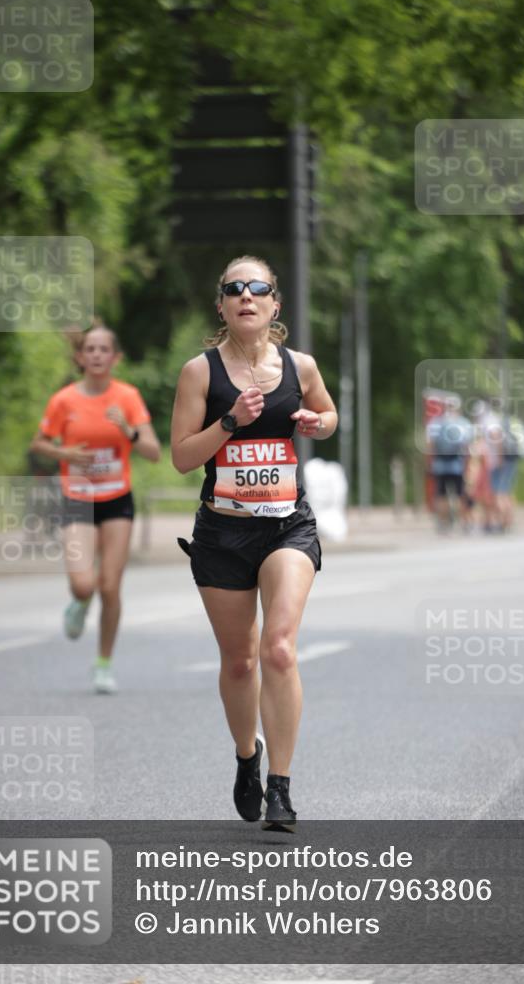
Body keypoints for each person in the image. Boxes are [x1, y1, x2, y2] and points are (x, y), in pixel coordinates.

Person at [171, 255, 337, 830]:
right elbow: (181, 457)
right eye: (233, 289)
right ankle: (248, 757)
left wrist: (320, 423)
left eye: (258, 288)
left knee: (280, 649)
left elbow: (328, 412)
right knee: (240, 663)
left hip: (287, 525)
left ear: (275, 304)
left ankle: (280, 787)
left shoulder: (301, 365)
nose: (246, 296)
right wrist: (230, 423)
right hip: (222, 531)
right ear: (221, 305)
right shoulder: (201, 373)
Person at [30, 323, 161, 691]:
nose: (98, 355)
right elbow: (38, 444)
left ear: (115, 357)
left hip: (117, 499)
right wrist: (64, 453)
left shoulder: (128, 397)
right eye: (91, 349)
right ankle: (79, 603)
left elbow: (152, 452)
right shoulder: (65, 400)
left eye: (105, 349)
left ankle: (103, 663)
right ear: (80, 357)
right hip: (77, 498)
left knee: (110, 586)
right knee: (85, 584)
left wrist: (128, 431)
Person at [426, 395, 473, 532]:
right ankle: (460, 521)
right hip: (458, 465)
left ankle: (443, 524)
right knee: (459, 494)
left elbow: (430, 445)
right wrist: (468, 465)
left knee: (441, 495)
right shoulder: (464, 423)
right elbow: (468, 447)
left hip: (440, 464)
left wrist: (430, 462)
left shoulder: (436, 422)